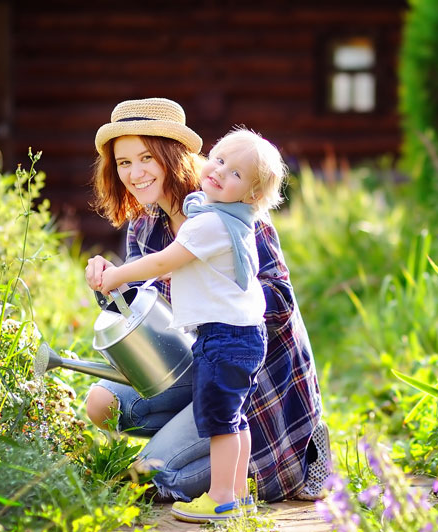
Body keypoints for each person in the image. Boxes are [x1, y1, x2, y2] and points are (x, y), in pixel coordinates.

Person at [82, 97, 326, 505]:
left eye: (146, 157)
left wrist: (198, 277)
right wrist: (109, 283)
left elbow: (280, 302)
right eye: (124, 163)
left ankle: (245, 467)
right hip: (196, 364)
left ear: (172, 155)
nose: (135, 173)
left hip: (249, 379)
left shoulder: (231, 206)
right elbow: (147, 318)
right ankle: (182, 442)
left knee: (148, 477)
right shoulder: (145, 226)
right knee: (102, 403)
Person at [98, 127, 279, 522]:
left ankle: (220, 497)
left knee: (219, 420)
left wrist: (118, 275)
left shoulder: (211, 221)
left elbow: (165, 262)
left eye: (235, 174)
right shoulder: (216, 214)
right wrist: (114, 284)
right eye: (219, 160)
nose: (219, 172)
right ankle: (236, 494)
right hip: (231, 337)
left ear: (251, 194)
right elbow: (148, 304)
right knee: (231, 418)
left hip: (228, 339)